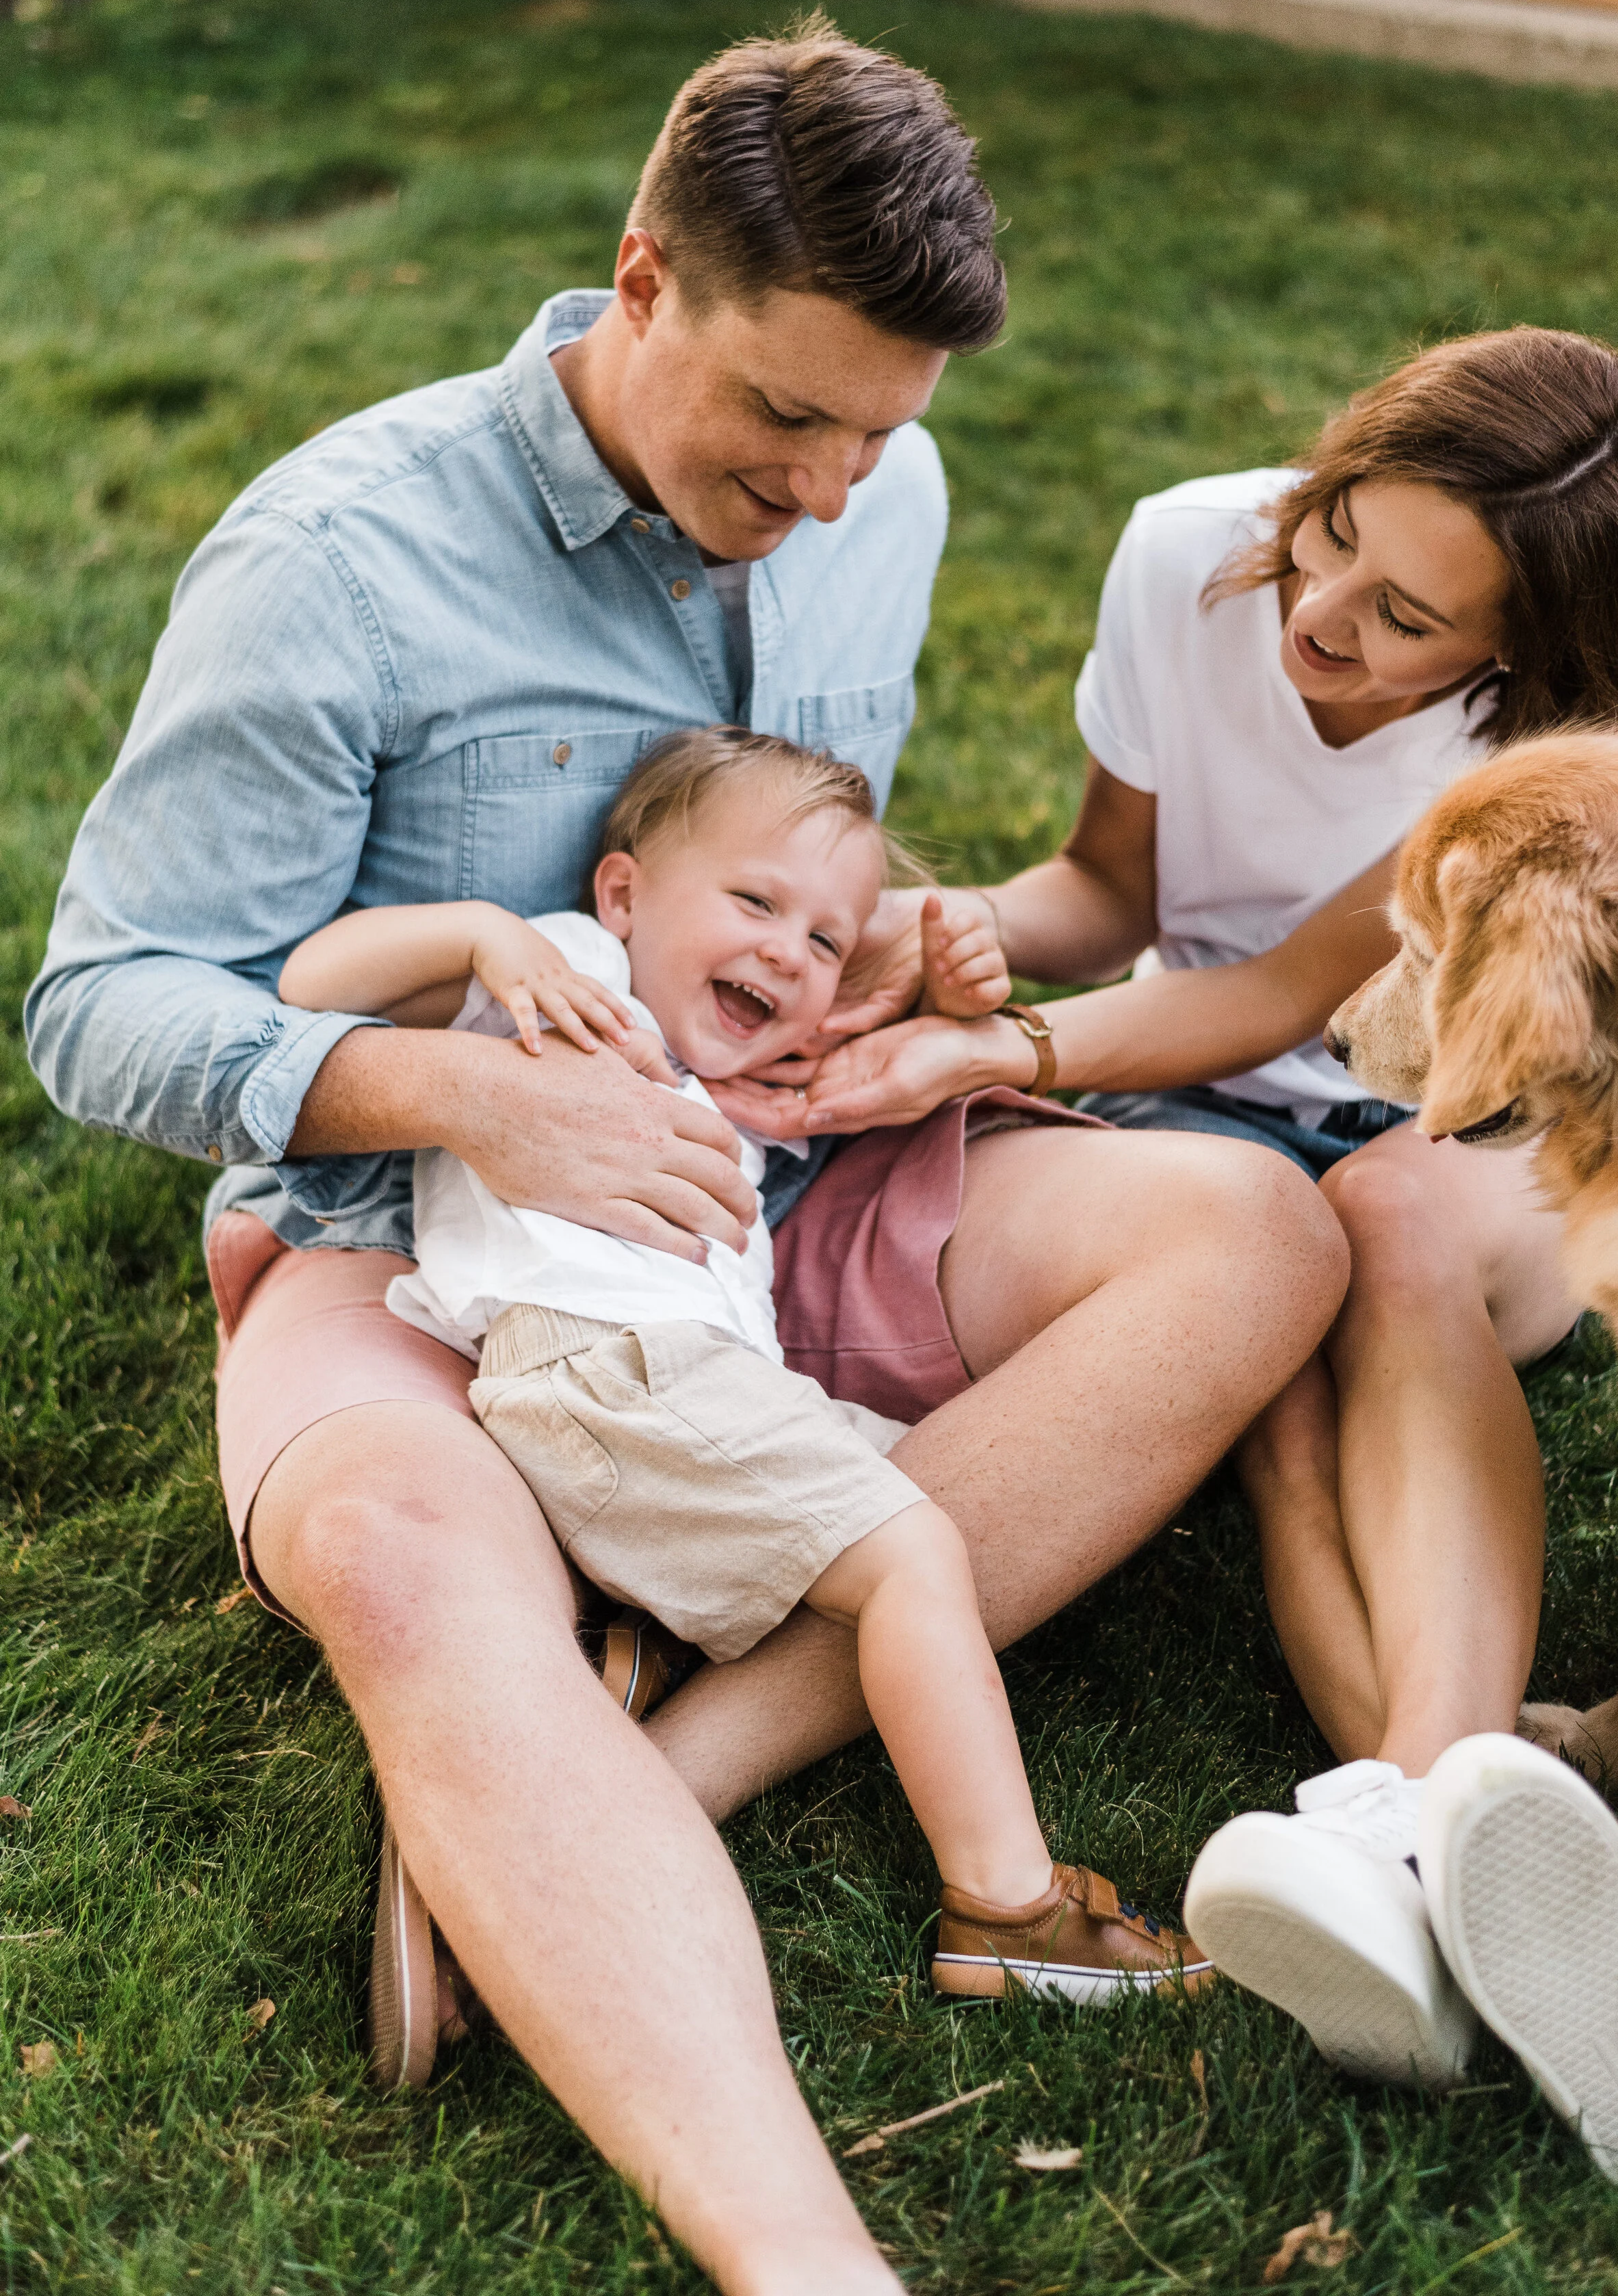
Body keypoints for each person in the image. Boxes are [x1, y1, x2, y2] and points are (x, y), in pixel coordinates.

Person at [25, 21, 1346, 2296]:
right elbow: (102, 1004)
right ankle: (809, 2262)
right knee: (418, 1583)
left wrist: (883, 949)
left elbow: (790, 849)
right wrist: (463, 1087)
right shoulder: (337, 558)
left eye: (884, 433)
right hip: (410, 1252)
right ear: (641, 281)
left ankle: (627, 1779)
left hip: (789, 1199)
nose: (839, 489)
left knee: (1259, 1230)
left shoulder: (880, 502)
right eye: (787, 419)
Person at [744, 328, 1618, 2105]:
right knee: (1269, 1392)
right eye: (1338, 523)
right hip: (1212, 1100)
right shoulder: (1192, 552)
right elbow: (1110, 887)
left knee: (1386, 1226)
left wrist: (999, 1047)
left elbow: (1275, 992)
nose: (1322, 612)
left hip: (1473, 1126)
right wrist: (936, 937)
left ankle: (1410, 1829)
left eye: (1406, 615)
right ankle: (1447, 1882)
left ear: (1523, 648)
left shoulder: (1591, 758)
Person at [279, 726, 1212, 2026]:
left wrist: (952, 1001)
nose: (789, 951)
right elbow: (311, 983)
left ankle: (623, 1683)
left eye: (826, 941)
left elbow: (859, 1071)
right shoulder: (574, 973)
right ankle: (1007, 1909)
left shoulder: (733, 1062)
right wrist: (485, 935)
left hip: (685, 1389)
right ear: (624, 896)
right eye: (756, 903)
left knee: (957, 1492)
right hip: (609, 1371)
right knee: (915, 1560)